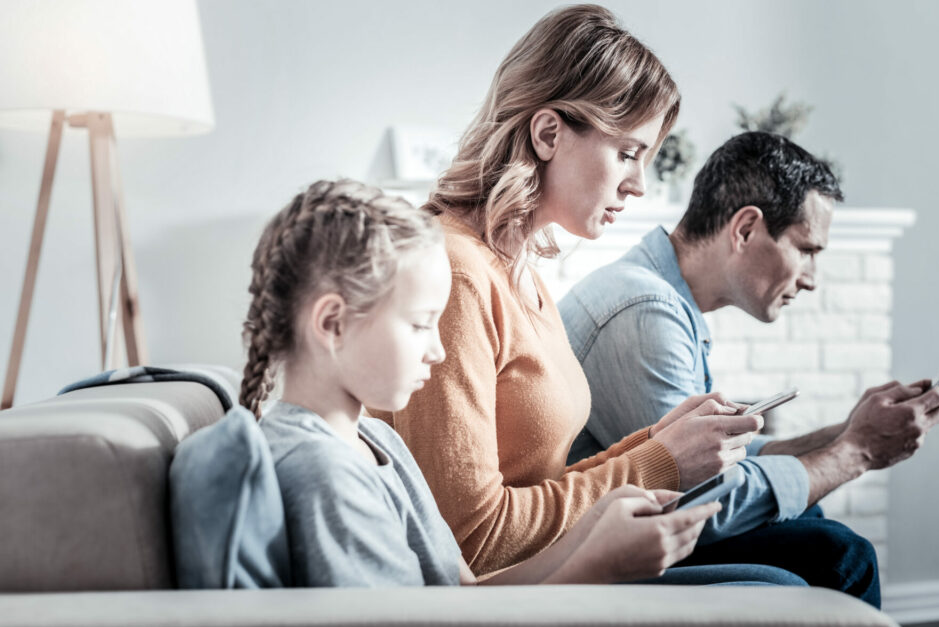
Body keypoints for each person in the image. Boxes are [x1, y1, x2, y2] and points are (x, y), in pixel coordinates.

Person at [368, 5, 804, 589]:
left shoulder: (521, 271)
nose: (639, 184)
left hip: (551, 564)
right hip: (508, 594)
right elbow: (471, 541)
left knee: (815, 557)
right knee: (793, 582)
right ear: (548, 133)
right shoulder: (456, 273)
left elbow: (537, 479)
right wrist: (660, 464)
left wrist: (659, 441)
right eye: (627, 153)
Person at [236, 177, 785, 588]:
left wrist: (594, 527)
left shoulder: (378, 442)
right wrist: (596, 567)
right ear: (332, 323)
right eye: (420, 325)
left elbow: (467, 595)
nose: (439, 348)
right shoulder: (320, 473)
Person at [558, 131, 939, 605]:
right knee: (843, 555)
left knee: (813, 518)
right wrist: (856, 452)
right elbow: (701, 502)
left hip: (635, 522)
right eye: (807, 250)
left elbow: (722, 457)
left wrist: (846, 430)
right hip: (593, 546)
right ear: (745, 229)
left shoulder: (663, 298)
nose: (811, 280)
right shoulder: (644, 310)